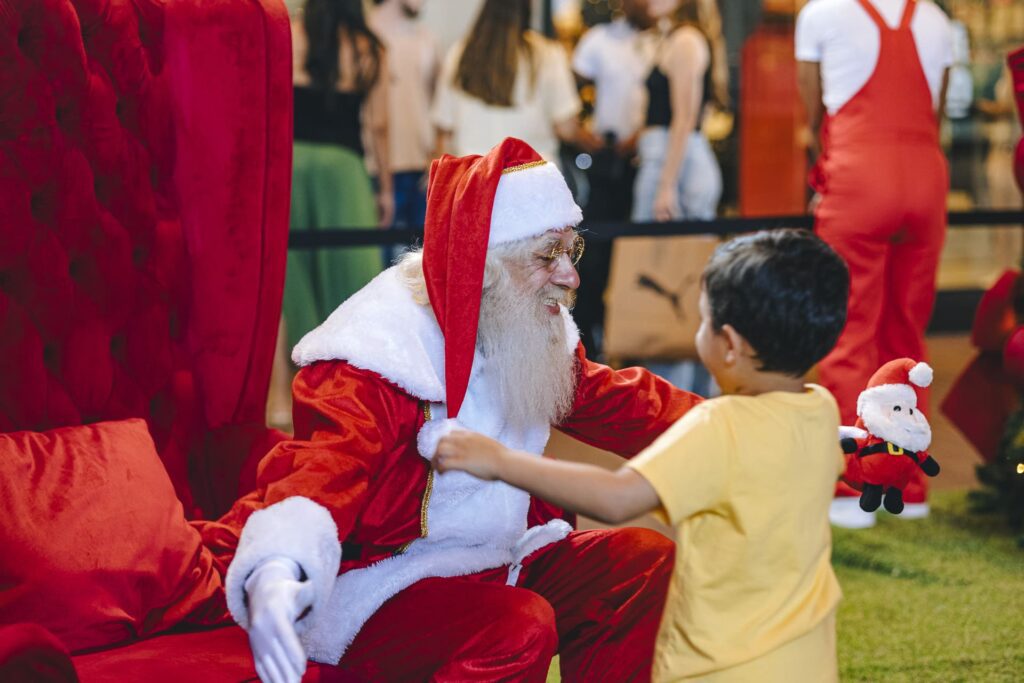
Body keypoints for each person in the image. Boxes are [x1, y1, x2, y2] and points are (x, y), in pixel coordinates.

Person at [198, 138, 703, 683]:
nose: (571, 275)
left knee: (641, 560)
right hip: (388, 585)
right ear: (485, 265)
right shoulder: (377, 349)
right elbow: (320, 470)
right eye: (547, 256)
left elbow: (625, 402)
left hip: (498, 559)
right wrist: (280, 566)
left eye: (570, 251)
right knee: (518, 625)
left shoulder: (522, 326)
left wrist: (740, 430)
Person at [436, 229, 850, 683]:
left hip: (722, 663)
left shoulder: (718, 428)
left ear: (729, 345)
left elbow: (616, 498)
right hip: (806, 656)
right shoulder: (821, 409)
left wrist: (499, 460)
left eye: (703, 319)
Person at [796, 0, 953, 527]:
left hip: (859, 177)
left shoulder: (820, 13)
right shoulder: (936, 18)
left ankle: (852, 488)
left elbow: (810, 114)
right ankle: (909, 491)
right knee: (908, 334)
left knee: (850, 333)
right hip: (926, 178)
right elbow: (937, 111)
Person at [283, 0, 393, 351]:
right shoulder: (368, 47)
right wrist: (386, 190)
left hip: (291, 165)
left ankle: (300, 375)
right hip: (343, 170)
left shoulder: (290, 35)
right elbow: (379, 126)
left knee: (295, 279)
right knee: (354, 280)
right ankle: (343, 376)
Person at [571, 0, 657, 356]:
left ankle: (641, 339)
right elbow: (571, 86)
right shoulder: (597, 41)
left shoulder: (664, 43)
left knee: (642, 254)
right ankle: (592, 343)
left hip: (647, 159)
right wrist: (584, 131)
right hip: (606, 161)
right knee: (595, 255)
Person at [431, 0, 595, 165]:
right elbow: (567, 129)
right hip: (533, 178)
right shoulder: (547, 55)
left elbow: (444, 129)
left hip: (474, 178)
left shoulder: (460, 53)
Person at [632, 0, 729, 223]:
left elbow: (685, 117)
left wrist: (667, 185)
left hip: (675, 164)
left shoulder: (686, 40)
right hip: (668, 159)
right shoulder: (676, 38)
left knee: (648, 252)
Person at [368, 0, 438, 231]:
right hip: (376, 169)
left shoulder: (426, 39)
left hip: (422, 169)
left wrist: (436, 158)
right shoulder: (365, 36)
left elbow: (437, 107)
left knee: (420, 261)